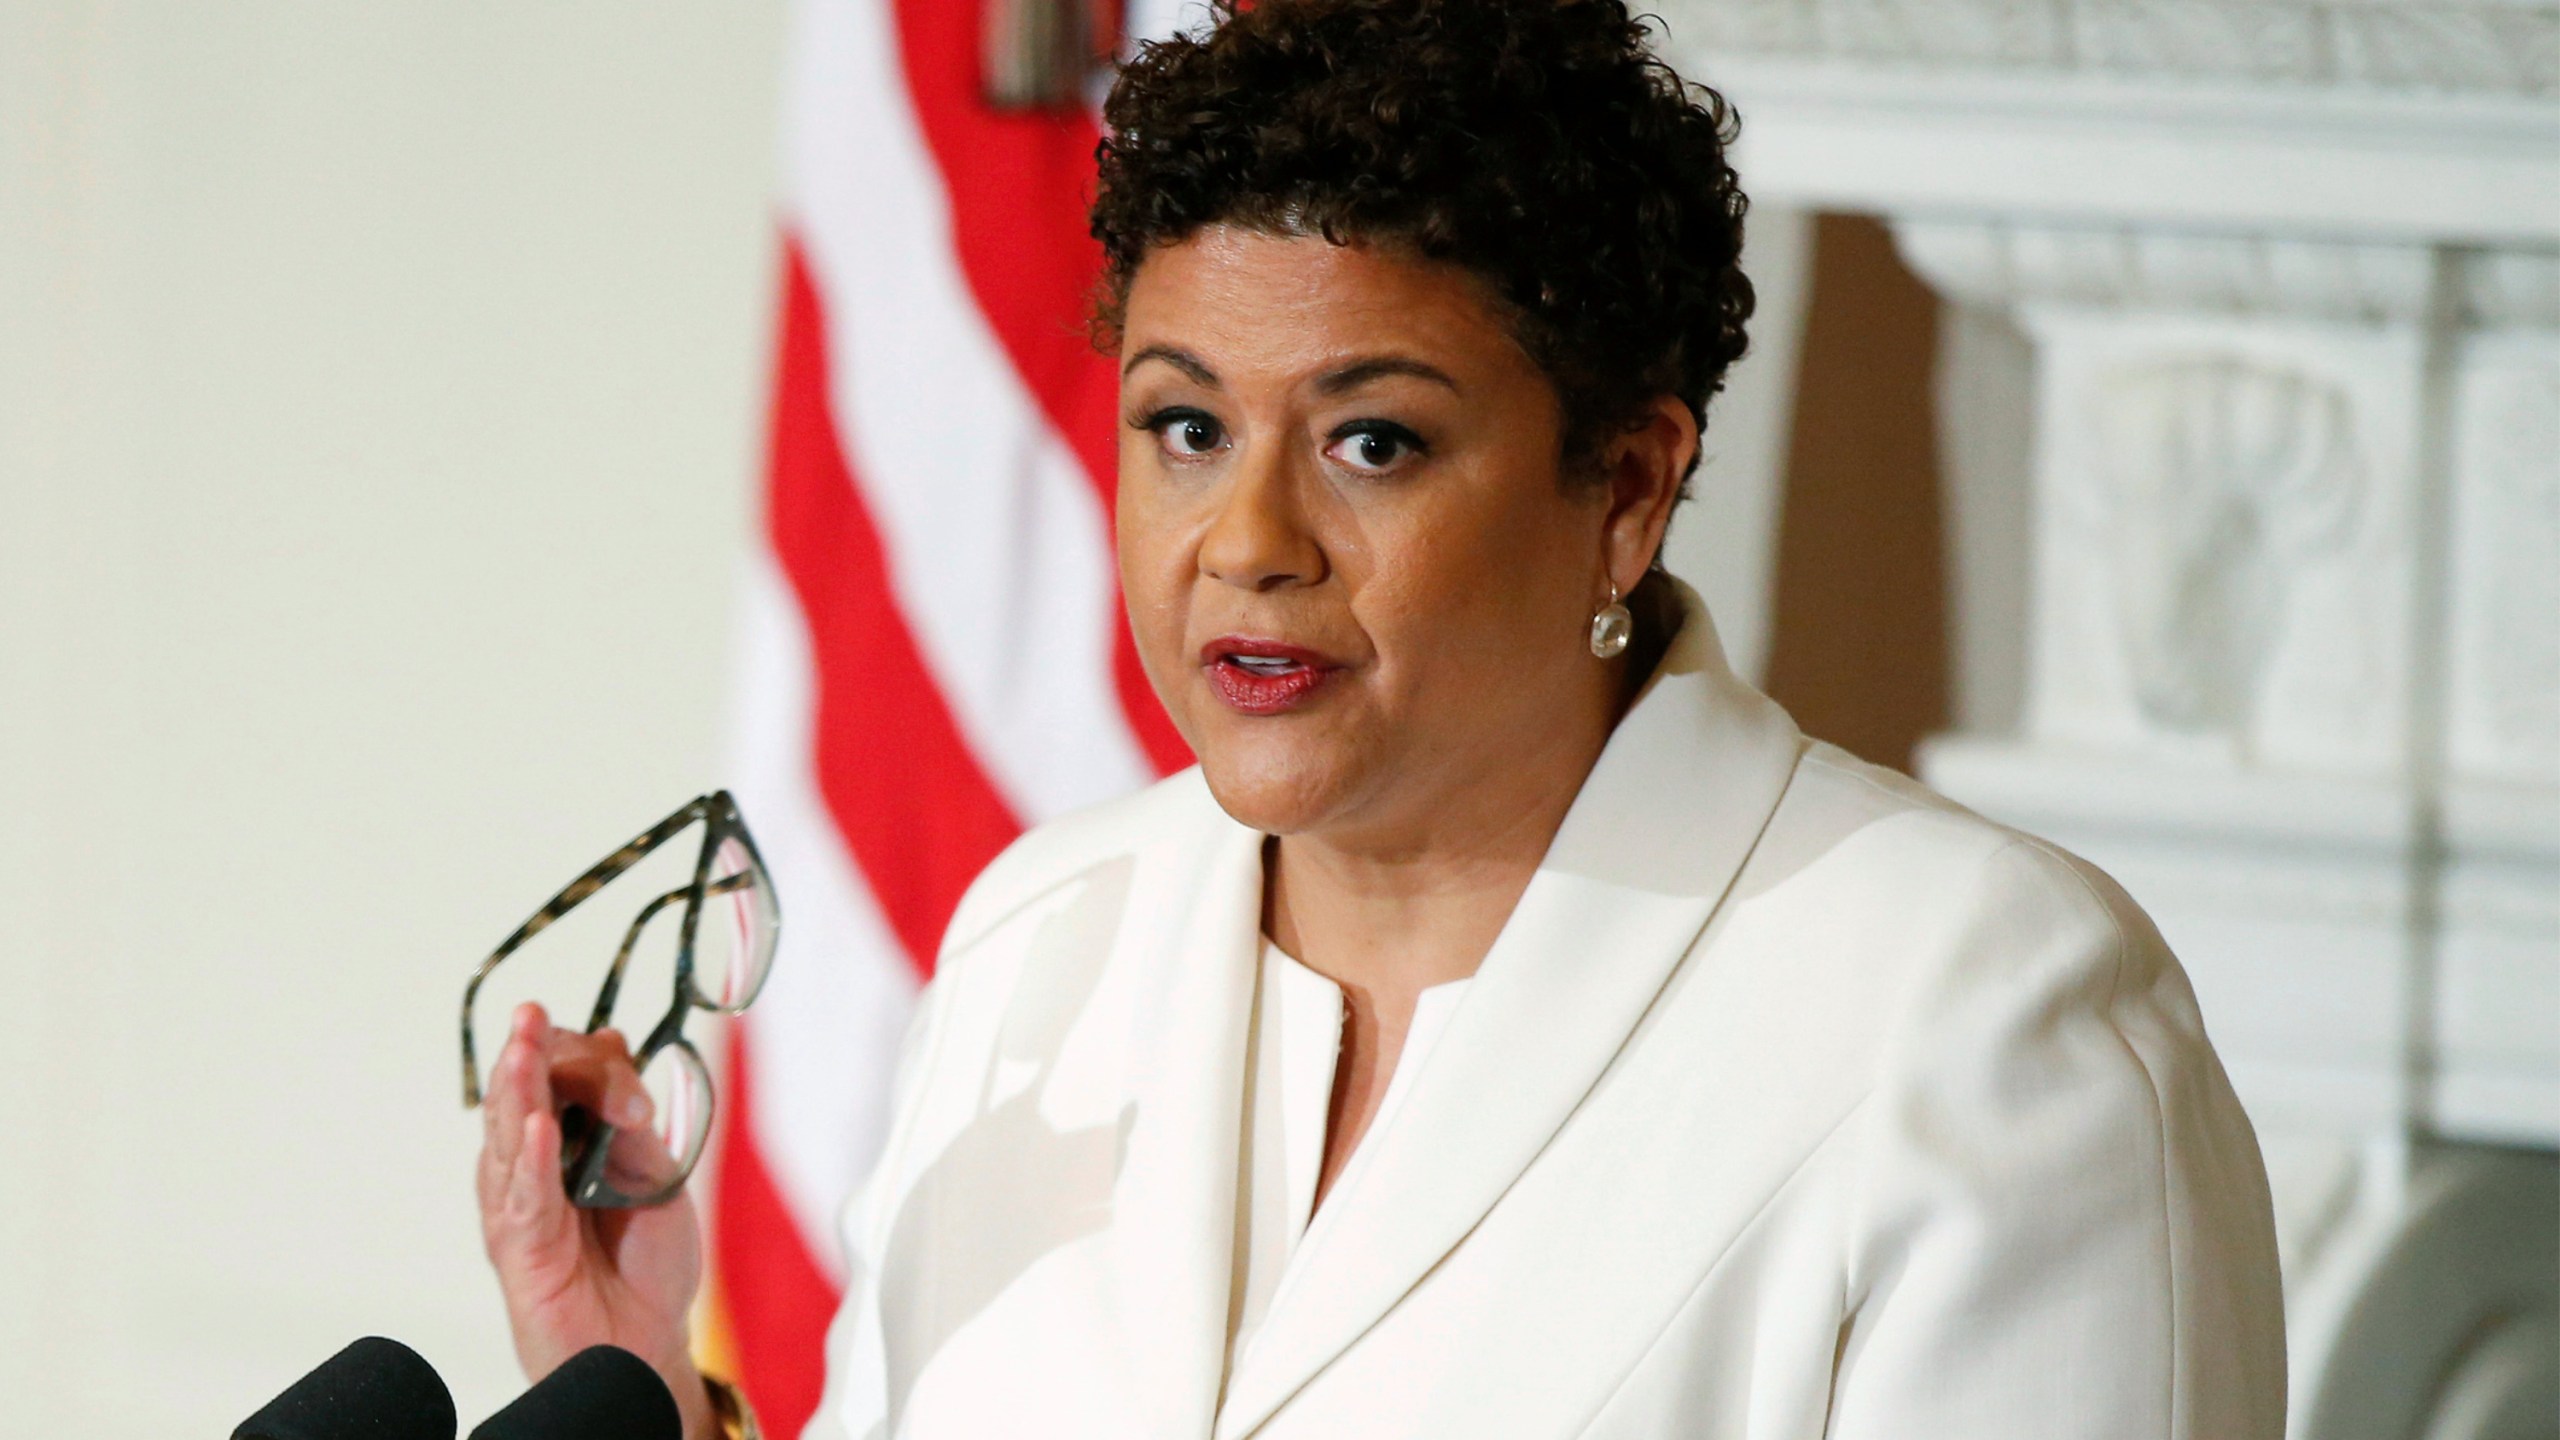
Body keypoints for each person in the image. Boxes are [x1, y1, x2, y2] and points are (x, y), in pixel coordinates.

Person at [474, 1, 2289, 1435]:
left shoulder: (1985, 1021)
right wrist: (646, 1399)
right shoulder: (1046, 943)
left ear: (1629, 485)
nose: (1246, 545)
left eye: (1374, 441)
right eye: (1185, 427)